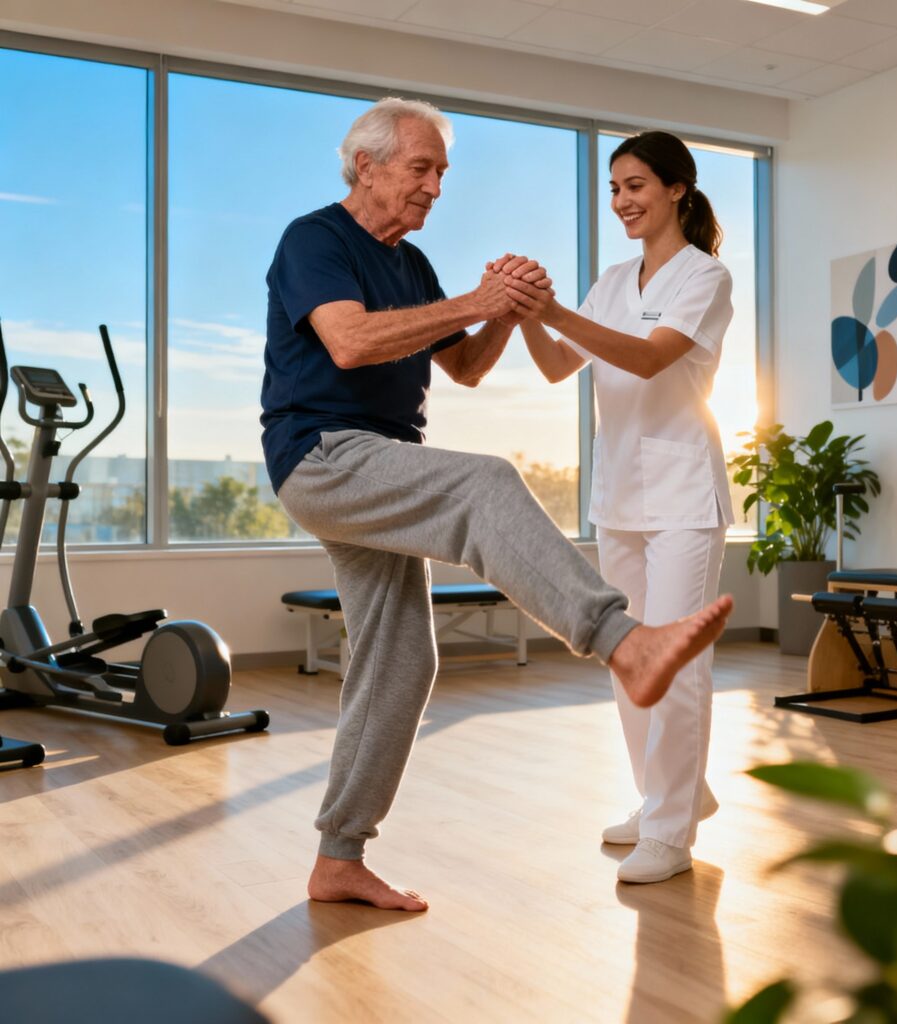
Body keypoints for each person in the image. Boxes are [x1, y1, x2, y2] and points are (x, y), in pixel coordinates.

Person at [260, 99, 734, 912]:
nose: (436, 187)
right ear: (366, 165)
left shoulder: (410, 265)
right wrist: (482, 300)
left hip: (386, 464)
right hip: (325, 455)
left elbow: (469, 366)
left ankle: (339, 856)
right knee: (484, 481)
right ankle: (622, 641)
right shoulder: (316, 240)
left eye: (442, 172)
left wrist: (509, 307)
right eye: (422, 168)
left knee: (405, 657)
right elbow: (349, 341)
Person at [494, 130, 734, 884]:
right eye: (613, 188)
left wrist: (554, 307)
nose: (622, 201)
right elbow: (557, 364)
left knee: (676, 660)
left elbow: (648, 355)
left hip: (684, 494)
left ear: (676, 191)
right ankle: (670, 796)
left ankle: (670, 829)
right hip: (620, 496)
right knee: (625, 656)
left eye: (635, 186)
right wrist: (531, 311)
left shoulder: (705, 276)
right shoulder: (609, 281)